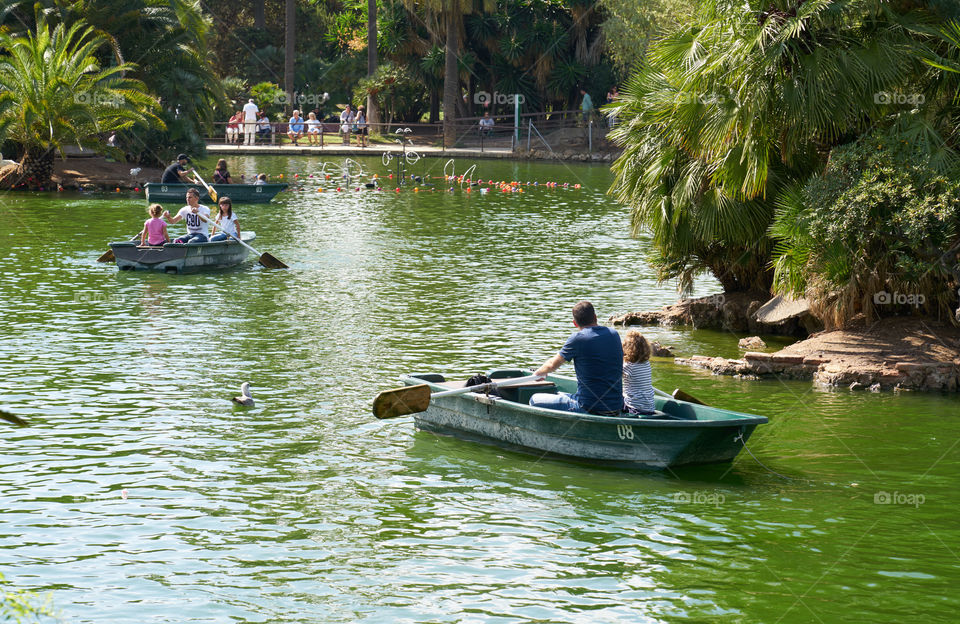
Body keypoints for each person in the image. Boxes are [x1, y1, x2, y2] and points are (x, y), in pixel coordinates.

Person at [529, 301, 624, 416]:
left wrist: (537, 374)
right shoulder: (614, 334)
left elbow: (552, 365)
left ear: (575, 323)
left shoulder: (578, 338)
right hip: (616, 406)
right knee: (559, 394)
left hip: (588, 407)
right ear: (595, 317)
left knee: (534, 399)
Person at [621, 330, 655, 416]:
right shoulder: (646, 363)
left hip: (633, 408)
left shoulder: (628, 366)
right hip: (650, 407)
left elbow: (612, 375)